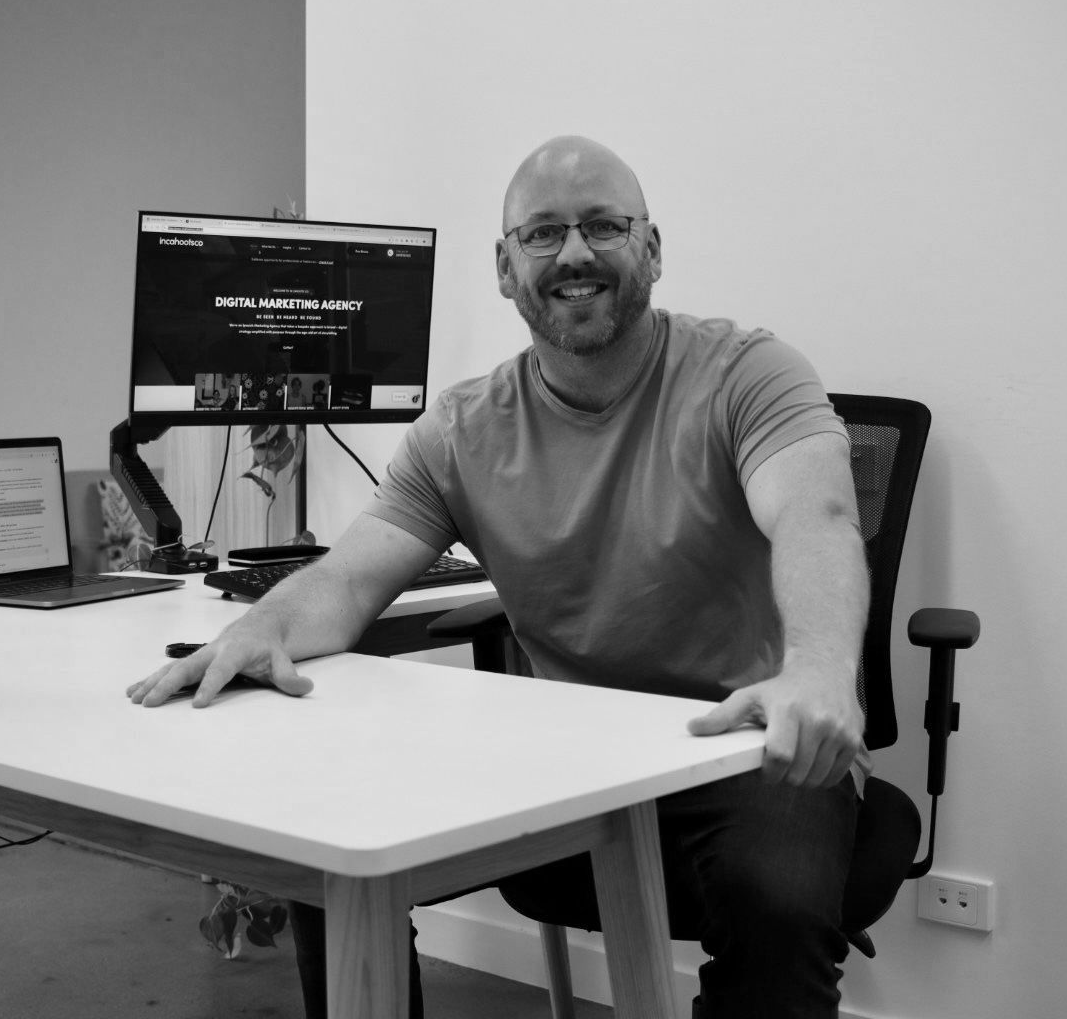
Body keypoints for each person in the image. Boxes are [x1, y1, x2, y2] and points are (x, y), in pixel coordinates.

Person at [128, 135, 869, 1018]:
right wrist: (260, 630)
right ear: (506, 266)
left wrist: (820, 669)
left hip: (744, 741)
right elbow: (353, 579)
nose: (576, 253)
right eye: (543, 233)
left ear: (653, 249)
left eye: (603, 225)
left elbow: (816, 518)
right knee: (328, 849)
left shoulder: (749, 374)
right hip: (566, 760)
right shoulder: (463, 428)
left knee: (777, 909)